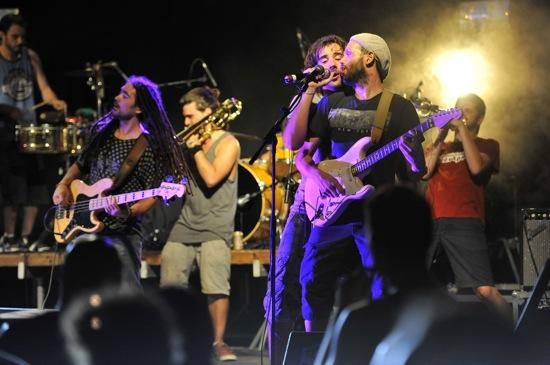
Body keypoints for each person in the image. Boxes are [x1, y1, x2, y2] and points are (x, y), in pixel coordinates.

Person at [297, 33, 426, 331]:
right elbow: (302, 156)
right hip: (330, 208)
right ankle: (314, 346)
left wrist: (412, 157)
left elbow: (417, 171)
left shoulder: (400, 107)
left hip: (374, 211)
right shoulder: (331, 102)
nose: (342, 61)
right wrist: (319, 175)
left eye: (350, 53)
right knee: (312, 278)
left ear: (370, 59)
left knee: (384, 281)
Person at [317, 186, 514, 365]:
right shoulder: (481, 325)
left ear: (376, 247)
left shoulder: (363, 323)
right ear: (428, 238)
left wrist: (341, 312)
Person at [263, 34, 358, 365]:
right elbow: (295, 146)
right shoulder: (312, 99)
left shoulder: (357, 96)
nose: (332, 63)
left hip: (350, 201)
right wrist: (310, 91)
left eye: (337, 55)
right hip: (311, 197)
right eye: (324, 58)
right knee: (284, 275)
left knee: (330, 280)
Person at [52, 75, 188, 288]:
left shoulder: (150, 145)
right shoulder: (102, 133)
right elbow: (80, 165)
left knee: (126, 302)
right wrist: (63, 184)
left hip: (123, 234)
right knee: (79, 293)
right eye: (119, 92)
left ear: (139, 109)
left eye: (124, 95)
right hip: (84, 229)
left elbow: (152, 195)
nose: (116, 97)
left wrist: (127, 212)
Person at [160, 86, 240, 362]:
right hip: (186, 222)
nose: (185, 123)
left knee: (216, 287)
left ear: (208, 114)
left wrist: (194, 150)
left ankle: (218, 342)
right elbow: (184, 182)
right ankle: (172, 339)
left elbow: (211, 178)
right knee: (170, 284)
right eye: (184, 117)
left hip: (216, 225)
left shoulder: (228, 142)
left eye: (190, 117)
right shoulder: (188, 144)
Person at [423, 93, 511, 319]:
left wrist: (460, 128)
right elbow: (425, 172)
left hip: (465, 221)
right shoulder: (441, 147)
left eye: (467, 110)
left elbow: (476, 168)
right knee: (413, 287)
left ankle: (516, 339)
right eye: (457, 108)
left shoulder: (488, 145)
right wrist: (441, 131)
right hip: (430, 221)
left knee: (484, 290)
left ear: (480, 119)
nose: (459, 113)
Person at [0, 13, 67, 252]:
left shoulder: (30, 57)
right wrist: (6, 109)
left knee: (35, 186)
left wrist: (54, 101)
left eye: (22, 37)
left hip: (27, 129)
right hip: (4, 131)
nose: (19, 41)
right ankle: (9, 237)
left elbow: (45, 89)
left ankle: (26, 238)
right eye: (14, 37)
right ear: (2, 35)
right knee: (12, 187)